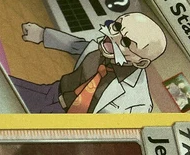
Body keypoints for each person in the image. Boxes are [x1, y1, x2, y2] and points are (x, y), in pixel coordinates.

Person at [11, 13, 167, 113]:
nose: (113, 37)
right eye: (117, 27)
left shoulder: (139, 103)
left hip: (64, 125)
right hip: (50, 93)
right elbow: (75, 45)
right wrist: (42, 34)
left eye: (125, 42)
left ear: (141, 62)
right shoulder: (100, 49)